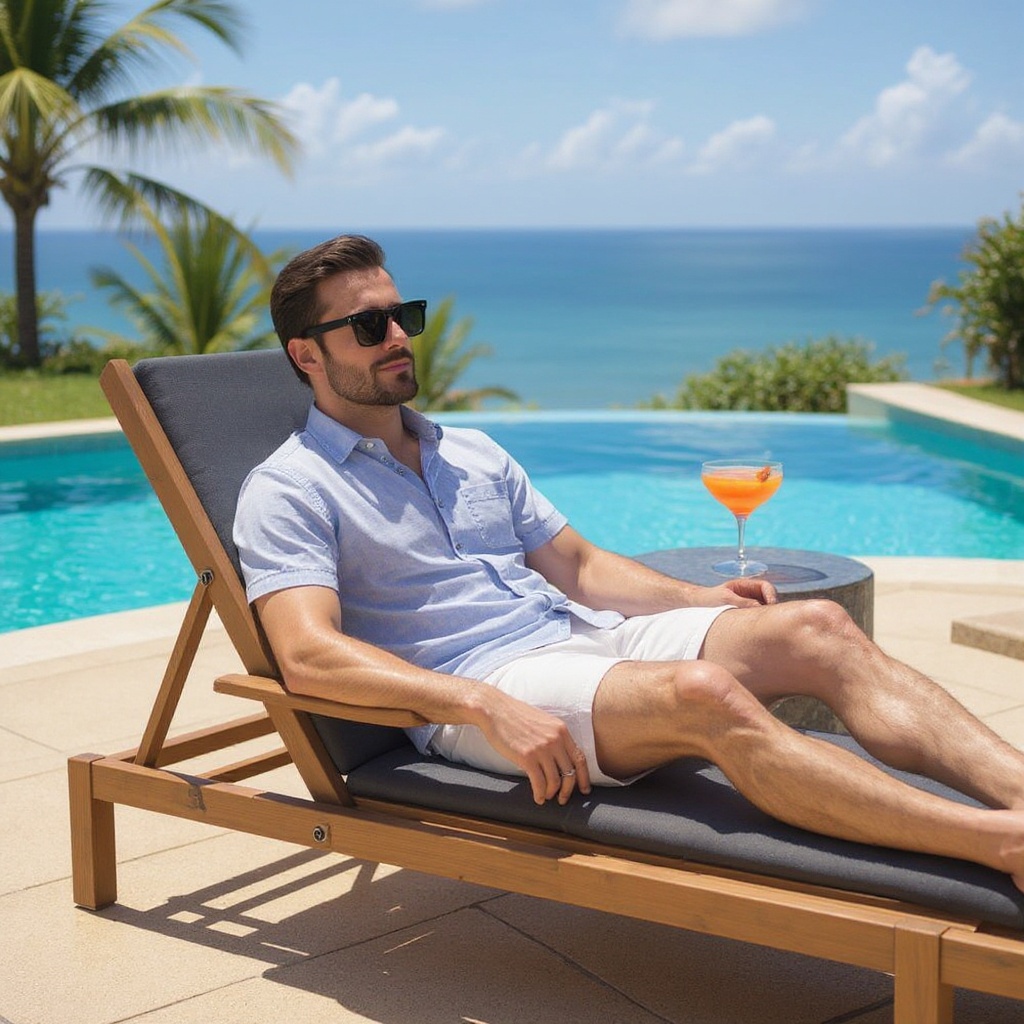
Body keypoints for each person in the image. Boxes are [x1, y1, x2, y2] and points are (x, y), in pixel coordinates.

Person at [234, 233, 1024, 891]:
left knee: (817, 627)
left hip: (581, 633)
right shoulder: (291, 486)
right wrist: (478, 703)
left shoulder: (468, 451)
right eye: (368, 327)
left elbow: (577, 566)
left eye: (403, 317)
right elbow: (307, 654)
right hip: (482, 687)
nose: (398, 338)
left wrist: (699, 599)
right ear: (306, 354)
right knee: (703, 694)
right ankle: (996, 843)